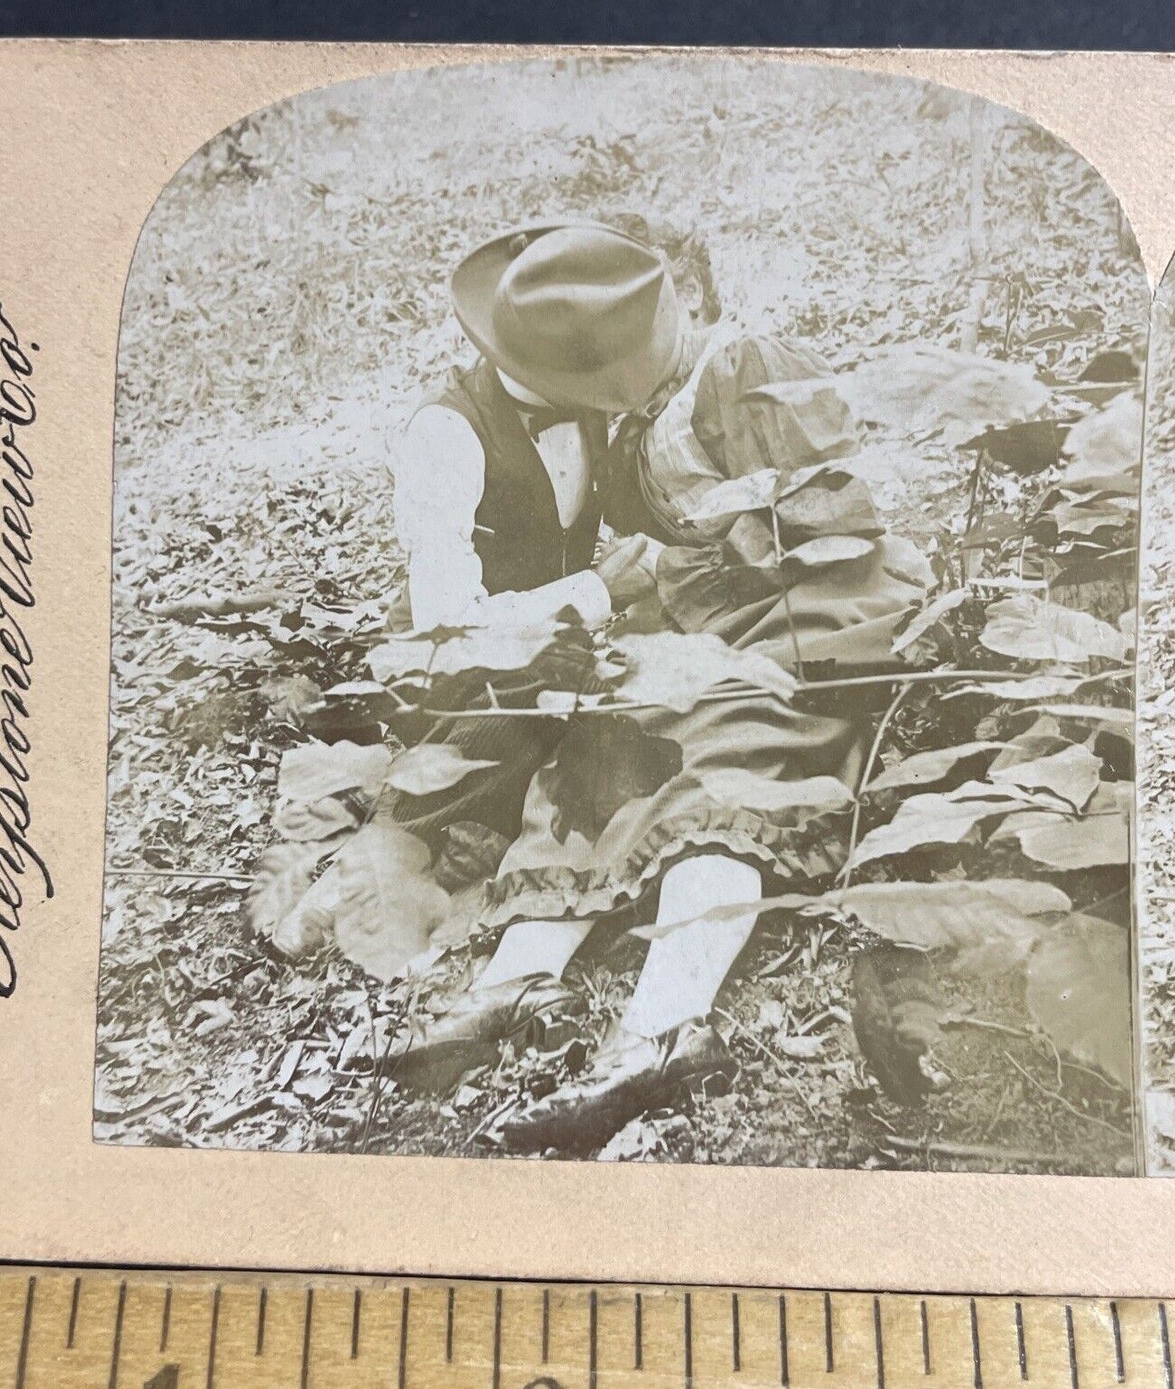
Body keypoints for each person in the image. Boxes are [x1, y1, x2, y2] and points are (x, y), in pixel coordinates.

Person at [385, 219, 930, 1151]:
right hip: (691, 623)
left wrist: (717, 548)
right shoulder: (630, 411)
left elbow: (843, 518)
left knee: (720, 749)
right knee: (602, 747)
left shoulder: (744, 362)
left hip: (806, 616)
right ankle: (516, 983)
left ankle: (664, 1025)